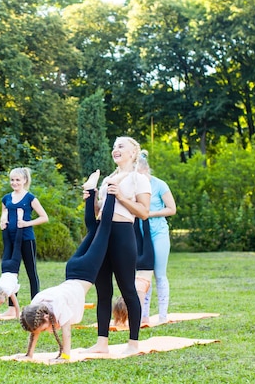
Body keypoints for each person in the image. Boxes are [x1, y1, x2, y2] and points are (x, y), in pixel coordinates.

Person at [19, 170, 116, 362]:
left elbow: (67, 334)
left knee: (104, 228)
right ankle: (90, 190)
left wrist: (65, 356)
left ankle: (111, 190)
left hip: (86, 271)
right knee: (94, 229)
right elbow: (34, 330)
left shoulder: (57, 308)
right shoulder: (37, 305)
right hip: (72, 269)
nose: (43, 332)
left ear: (46, 319)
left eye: (44, 328)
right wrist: (28, 354)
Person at [85, 137, 151, 355]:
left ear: (133, 153)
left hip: (123, 235)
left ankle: (133, 343)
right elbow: (99, 211)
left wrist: (121, 196)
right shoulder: (107, 179)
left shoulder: (138, 179)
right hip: (103, 234)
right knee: (103, 291)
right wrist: (91, 197)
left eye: (121, 146)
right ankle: (102, 342)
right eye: (114, 146)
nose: (116, 149)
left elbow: (143, 212)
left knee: (128, 290)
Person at [0, 167, 49, 317]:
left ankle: (36, 306)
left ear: (25, 181)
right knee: (11, 274)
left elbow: (44, 217)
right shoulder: (6, 198)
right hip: (11, 240)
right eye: (12, 180)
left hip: (26, 239)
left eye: (18, 180)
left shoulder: (30, 198)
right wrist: (2, 221)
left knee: (31, 272)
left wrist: (26, 223)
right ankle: (12, 308)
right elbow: (4, 214)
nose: (14, 183)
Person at [136, 150, 177, 324]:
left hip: (158, 232)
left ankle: (162, 315)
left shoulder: (160, 185)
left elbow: (171, 209)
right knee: (144, 275)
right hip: (139, 234)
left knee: (159, 274)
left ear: (146, 171)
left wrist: (149, 213)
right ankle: (144, 314)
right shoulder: (133, 185)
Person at [112, 216, 154, 326]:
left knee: (146, 235)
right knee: (138, 235)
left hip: (147, 266)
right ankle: (138, 212)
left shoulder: (137, 294)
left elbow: (139, 309)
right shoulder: (127, 290)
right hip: (138, 266)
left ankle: (144, 213)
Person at [0, 208, 24, 319]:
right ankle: (4, 225)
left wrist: (17, 317)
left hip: (13, 268)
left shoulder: (8, 291)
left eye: (1, 302)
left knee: (17, 245)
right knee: (7, 245)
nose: (1, 303)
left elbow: (17, 306)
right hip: (4, 266)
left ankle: (20, 220)